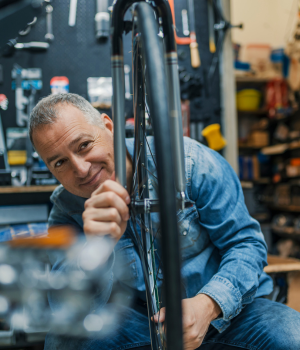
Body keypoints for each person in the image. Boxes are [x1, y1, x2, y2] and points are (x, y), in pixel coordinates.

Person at [30, 93, 300, 350]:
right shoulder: (68, 210)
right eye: (59, 163)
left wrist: (207, 305)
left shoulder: (188, 163)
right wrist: (96, 246)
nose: (81, 168)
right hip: (145, 323)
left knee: (292, 335)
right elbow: (67, 307)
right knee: (63, 340)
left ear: (107, 126)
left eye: (84, 145)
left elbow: (246, 244)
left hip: (229, 313)